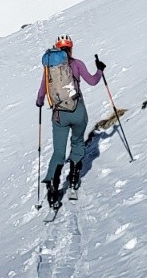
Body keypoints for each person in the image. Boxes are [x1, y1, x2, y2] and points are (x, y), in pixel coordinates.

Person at [36, 34, 107, 207]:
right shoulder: (77, 64)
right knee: (77, 143)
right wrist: (100, 70)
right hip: (78, 111)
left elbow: (42, 92)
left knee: (58, 153)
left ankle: (52, 193)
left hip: (59, 114)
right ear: (70, 48)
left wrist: (39, 102)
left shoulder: (50, 69)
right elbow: (92, 81)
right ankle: (74, 181)